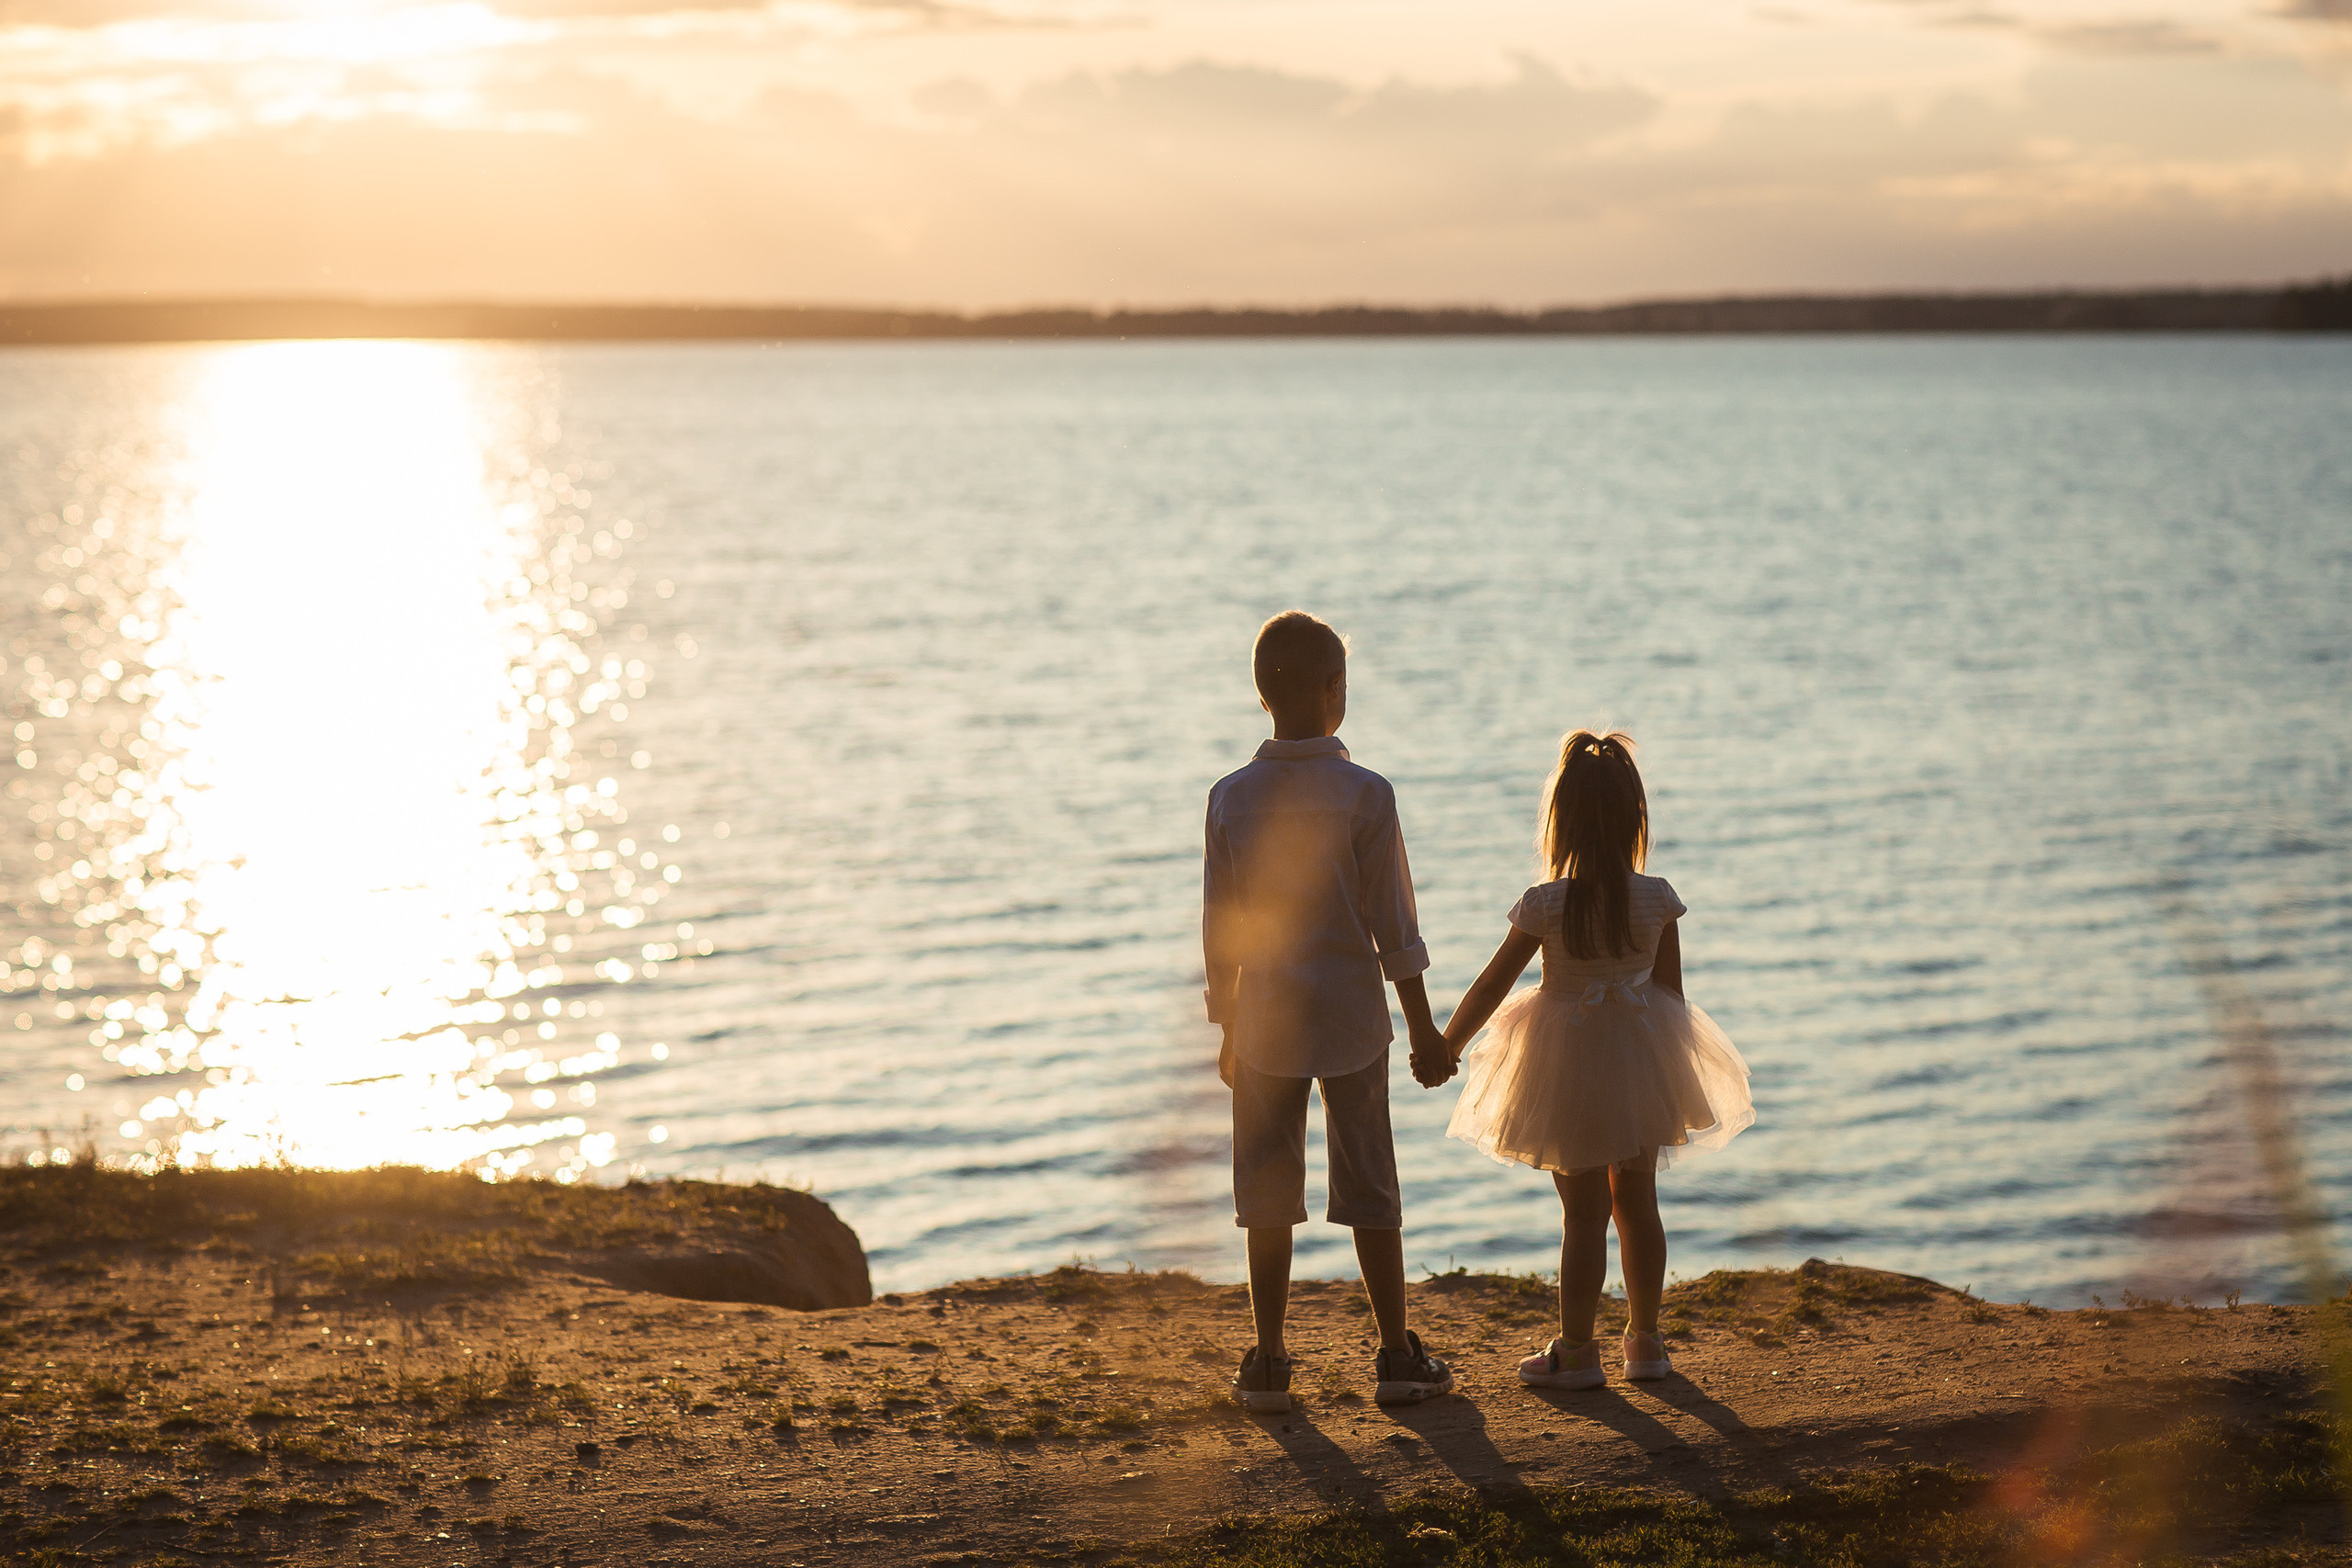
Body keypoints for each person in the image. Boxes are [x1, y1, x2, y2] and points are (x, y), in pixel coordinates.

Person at [1436, 730, 1753, 1389]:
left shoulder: (1546, 903)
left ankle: (1577, 1351)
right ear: (1637, 818)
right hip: (1641, 1052)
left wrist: (1447, 1044)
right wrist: (1669, 1066)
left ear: (1561, 822)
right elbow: (1671, 995)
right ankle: (1647, 1344)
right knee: (1639, 1202)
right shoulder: (1657, 897)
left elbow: (1493, 984)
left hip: (1567, 1064)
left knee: (1582, 1214)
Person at [1204, 610, 1456, 1414]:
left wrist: (1226, 1025)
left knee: (1266, 1190)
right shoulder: (1366, 795)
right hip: (1353, 1020)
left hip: (1267, 1024)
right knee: (1370, 1184)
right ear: (1333, 691)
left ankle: (1271, 1360)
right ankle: (1394, 1355)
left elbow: (1221, 929)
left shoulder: (1230, 799)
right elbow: (1397, 927)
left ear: (1261, 694)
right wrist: (1422, 1028)